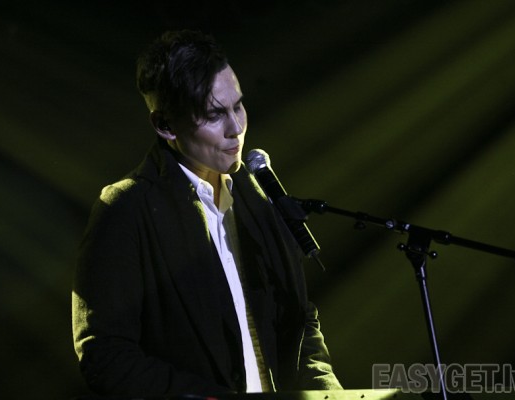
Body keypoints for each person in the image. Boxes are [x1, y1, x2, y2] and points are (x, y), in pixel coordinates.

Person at [72, 29, 342, 397]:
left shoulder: (257, 197)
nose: (236, 128)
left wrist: (327, 391)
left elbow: (299, 320)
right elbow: (105, 356)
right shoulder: (126, 210)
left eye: (238, 106)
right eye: (215, 114)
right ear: (165, 125)